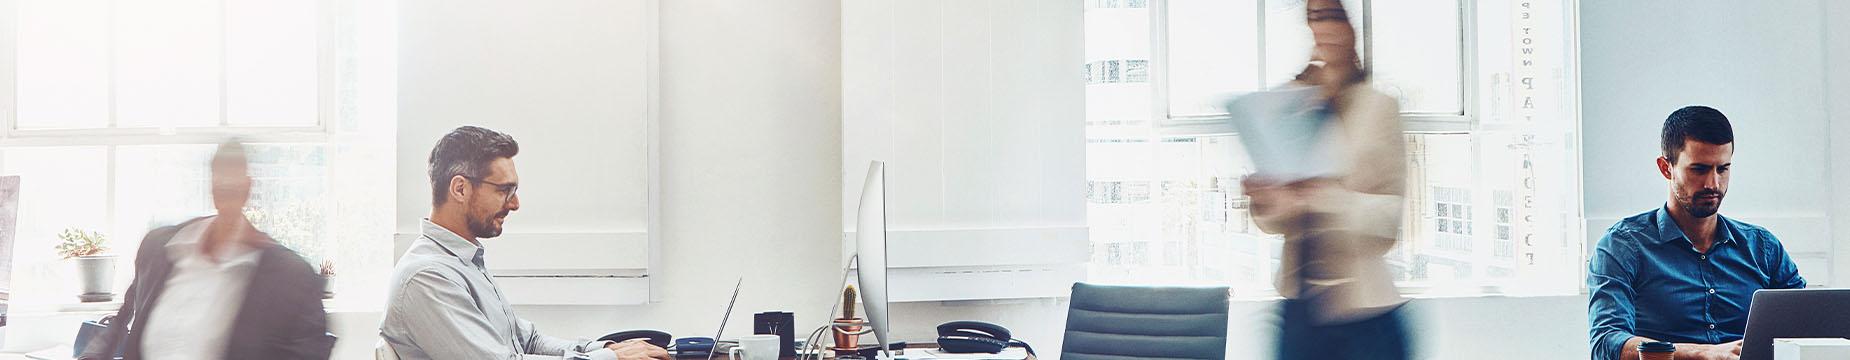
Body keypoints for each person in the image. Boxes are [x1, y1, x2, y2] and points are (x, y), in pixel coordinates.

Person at [380, 126, 670, 360]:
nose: (515, 204)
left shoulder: (463, 262)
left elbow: (527, 340)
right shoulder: (426, 277)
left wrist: (602, 350)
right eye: (505, 190)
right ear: (460, 188)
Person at [1241, 0, 1411, 359]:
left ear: (1351, 26)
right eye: (1315, 17)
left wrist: (1323, 197)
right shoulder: (1291, 102)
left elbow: (1387, 225)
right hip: (1299, 313)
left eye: (1333, 15)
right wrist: (1266, 200)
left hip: (1367, 319)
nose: (1324, 27)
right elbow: (1275, 223)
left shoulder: (1379, 107)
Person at [80, 141, 334, 360]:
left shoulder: (290, 276)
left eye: (234, 182)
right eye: (221, 180)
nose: (227, 190)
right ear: (211, 185)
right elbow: (125, 316)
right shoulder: (159, 248)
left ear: (248, 188)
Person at [1587, 106, 1805, 360]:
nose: (1713, 184)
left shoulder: (1763, 248)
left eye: (1722, 169)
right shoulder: (1622, 246)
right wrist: (1703, 353)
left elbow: (1807, 325)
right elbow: (1606, 343)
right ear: (1666, 168)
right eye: (1699, 169)